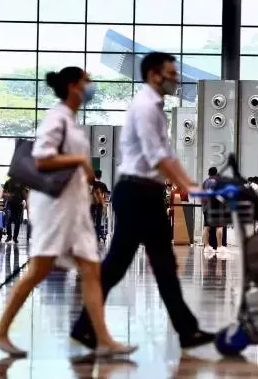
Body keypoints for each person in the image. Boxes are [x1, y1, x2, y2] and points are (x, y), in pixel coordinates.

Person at [0, 67, 136, 358]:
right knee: (39, 270)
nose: (90, 86)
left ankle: (103, 338)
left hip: (75, 208)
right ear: (72, 86)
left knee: (92, 270)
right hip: (55, 209)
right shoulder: (56, 118)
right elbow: (42, 158)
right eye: (86, 81)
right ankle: (1, 331)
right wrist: (80, 159)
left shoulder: (70, 120)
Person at [71, 52, 214, 351]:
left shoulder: (156, 107)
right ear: (153, 75)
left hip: (146, 193)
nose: (176, 78)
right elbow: (157, 157)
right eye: (171, 73)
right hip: (136, 193)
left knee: (161, 263)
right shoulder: (146, 107)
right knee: (118, 265)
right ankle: (85, 326)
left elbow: (169, 156)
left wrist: (189, 184)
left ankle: (187, 331)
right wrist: (188, 186)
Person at [3, 177, 27, 243]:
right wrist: (8, 195)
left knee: (17, 222)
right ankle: (9, 236)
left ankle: (15, 238)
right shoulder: (8, 182)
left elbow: (24, 193)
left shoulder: (22, 182)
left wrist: (26, 202)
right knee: (8, 221)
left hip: (19, 205)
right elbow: (3, 193)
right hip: (10, 205)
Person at [90, 170, 108, 240]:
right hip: (100, 204)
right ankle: (97, 237)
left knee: (91, 220)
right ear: (101, 176)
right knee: (98, 221)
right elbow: (106, 196)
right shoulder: (103, 185)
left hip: (92, 204)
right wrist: (103, 201)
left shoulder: (92, 184)